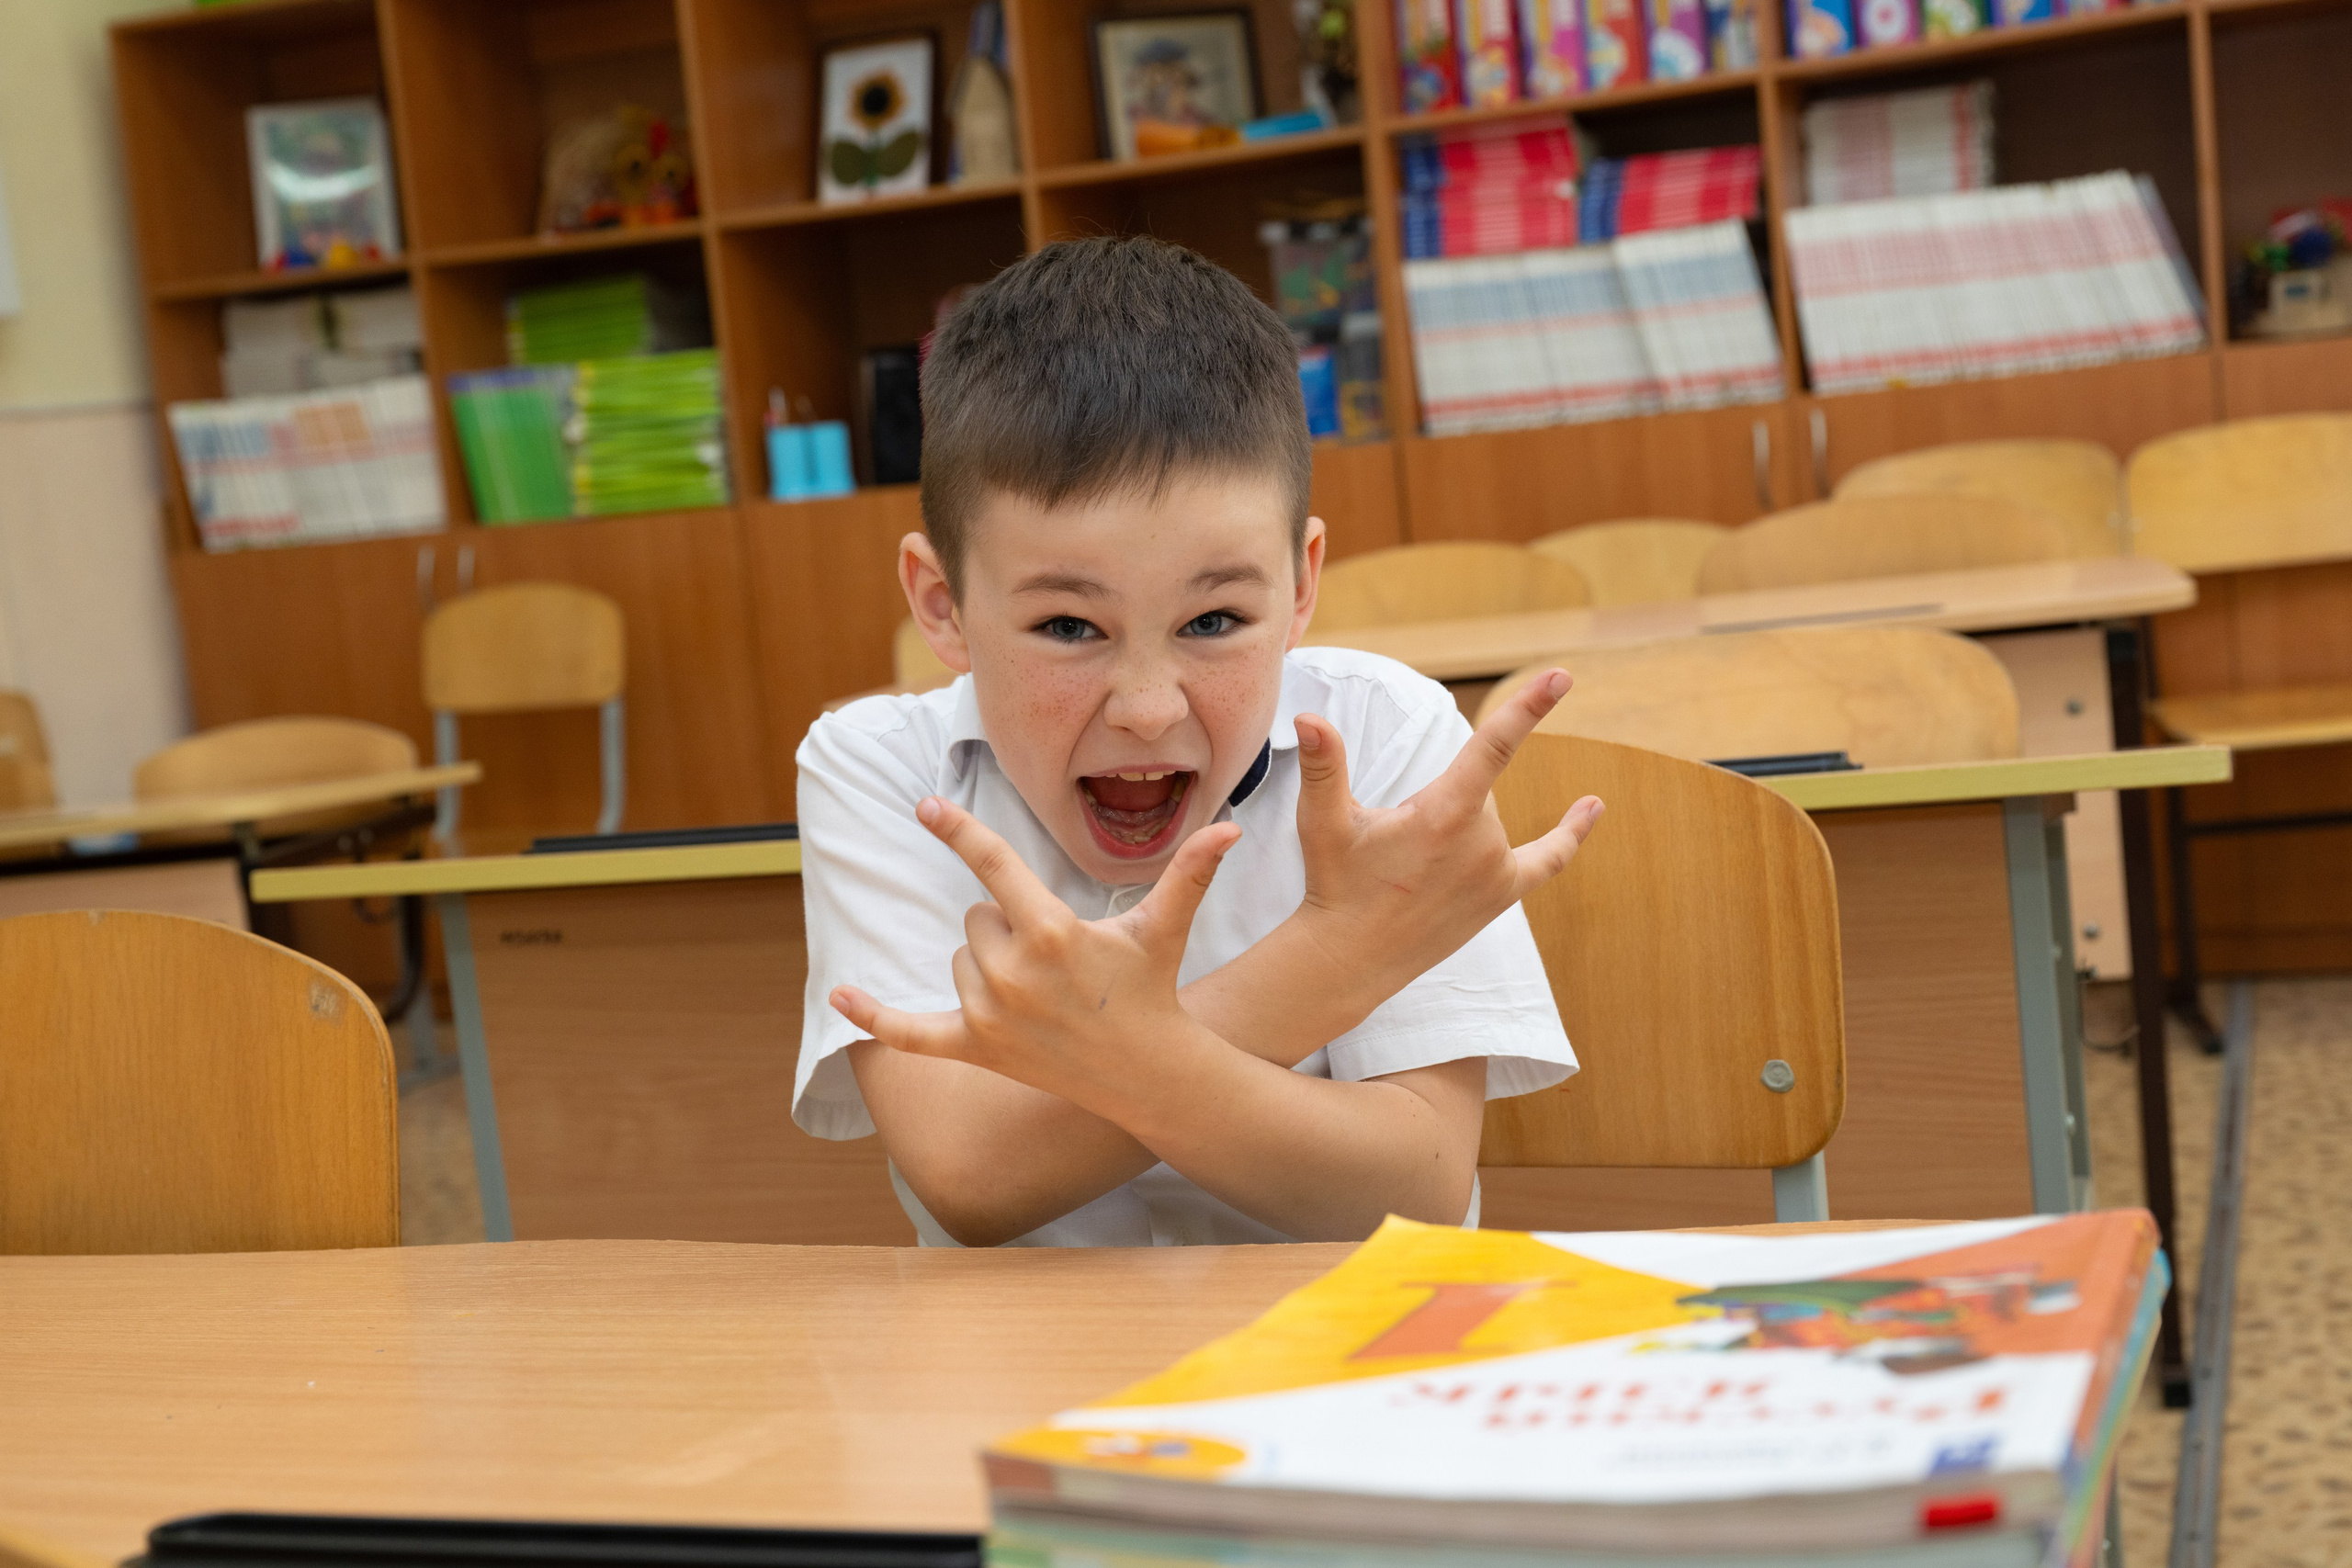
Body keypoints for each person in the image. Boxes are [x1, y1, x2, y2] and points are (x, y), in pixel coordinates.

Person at [793, 235, 1603, 1247]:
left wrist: (1130, 1054)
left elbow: (1418, 1193)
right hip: (1019, 1377)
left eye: (1213, 622)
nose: (1145, 707)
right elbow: (970, 1172)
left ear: (1300, 584)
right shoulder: (877, 768)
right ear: (943, 604)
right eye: (1067, 628)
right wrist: (1331, 958)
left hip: (1343, 1366)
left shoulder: (1384, 731)